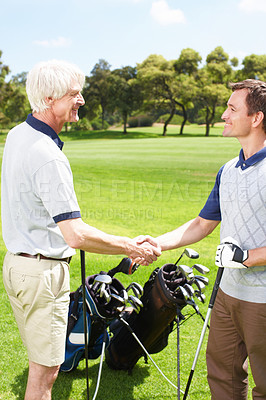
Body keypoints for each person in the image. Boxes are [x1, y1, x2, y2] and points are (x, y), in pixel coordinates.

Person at [1, 60, 161, 400]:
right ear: (48, 98)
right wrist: (129, 247)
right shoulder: (48, 156)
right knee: (46, 374)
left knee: (39, 364)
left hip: (18, 266)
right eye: (74, 94)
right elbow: (75, 234)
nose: (82, 100)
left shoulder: (18, 135)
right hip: (41, 273)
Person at [156, 79, 266, 399]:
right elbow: (203, 224)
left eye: (232, 109)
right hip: (228, 294)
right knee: (222, 374)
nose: (223, 114)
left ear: (256, 118)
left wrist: (246, 258)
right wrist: (156, 243)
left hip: (262, 301)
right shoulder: (228, 170)